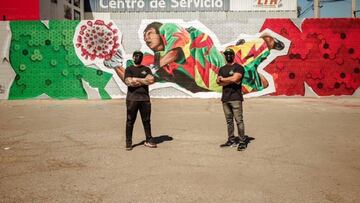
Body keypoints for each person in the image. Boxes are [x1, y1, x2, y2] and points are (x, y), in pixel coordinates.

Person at [142, 22, 285, 94]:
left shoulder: (168, 28)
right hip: (216, 83)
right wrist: (118, 65)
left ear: (159, 32)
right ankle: (232, 51)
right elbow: (142, 79)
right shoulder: (160, 61)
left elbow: (175, 53)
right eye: (144, 37)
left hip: (217, 65)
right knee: (263, 84)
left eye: (149, 33)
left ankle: (267, 42)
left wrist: (154, 67)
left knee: (266, 43)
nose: (146, 38)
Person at [104, 50, 157, 150]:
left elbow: (151, 80)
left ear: (142, 58)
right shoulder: (129, 69)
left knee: (146, 121)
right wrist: (143, 80)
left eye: (140, 56)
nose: (138, 57)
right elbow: (128, 82)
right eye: (136, 56)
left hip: (144, 99)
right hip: (132, 99)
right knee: (130, 121)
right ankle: (128, 143)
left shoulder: (146, 69)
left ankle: (149, 139)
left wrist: (136, 79)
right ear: (133, 58)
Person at [216, 48, 247, 151]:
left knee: (239, 121)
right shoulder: (222, 69)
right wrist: (231, 80)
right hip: (225, 98)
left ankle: (242, 142)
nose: (228, 56)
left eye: (230, 54)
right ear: (225, 56)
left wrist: (224, 79)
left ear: (233, 56)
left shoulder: (239, 67)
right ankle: (231, 140)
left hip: (236, 98)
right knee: (229, 121)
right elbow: (218, 82)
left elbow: (236, 78)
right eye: (226, 54)